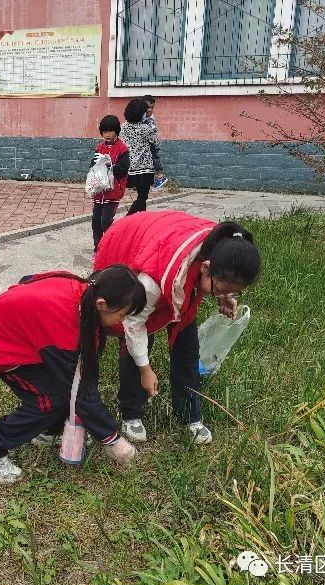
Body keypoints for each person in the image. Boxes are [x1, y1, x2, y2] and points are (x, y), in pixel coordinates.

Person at [0, 265, 147, 483]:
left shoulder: (85, 296)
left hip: (29, 342)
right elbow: (78, 388)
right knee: (48, 401)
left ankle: (48, 431)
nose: (122, 321)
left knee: (61, 392)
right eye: (122, 315)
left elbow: (28, 278)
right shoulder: (64, 323)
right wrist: (111, 438)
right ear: (102, 304)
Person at [94, 211, 260, 445]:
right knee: (137, 340)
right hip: (134, 244)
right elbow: (133, 324)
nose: (225, 294)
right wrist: (146, 369)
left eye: (233, 290)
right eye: (222, 289)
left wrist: (223, 296)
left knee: (188, 348)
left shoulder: (224, 248)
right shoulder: (151, 283)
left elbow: (219, 280)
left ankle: (189, 414)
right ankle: (131, 412)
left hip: (173, 257)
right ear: (205, 268)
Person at [90, 115, 130, 252]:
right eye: (105, 131)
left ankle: (111, 245)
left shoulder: (123, 149)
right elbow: (92, 166)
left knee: (105, 221)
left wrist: (109, 164)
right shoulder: (99, 147)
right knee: (96, 222)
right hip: (98, 191)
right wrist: (96, 163)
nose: (107, 134)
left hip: (113, 193)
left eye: (110, 131)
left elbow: (122, 171)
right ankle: (98, 248)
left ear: (116, 132)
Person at [121, 98, 159, 215]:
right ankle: (127, 219)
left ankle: (141, 219)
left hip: (129, 167)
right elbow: (156, 144)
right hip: (144, 168)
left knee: (141, 197)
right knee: (143, 196)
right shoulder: (145, 128)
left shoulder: (123, 127)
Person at [141, 95, 168, 190]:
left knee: (154, 158)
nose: (150, 110)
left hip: (151, 143)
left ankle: (161, 177)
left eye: (152, 108)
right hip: (144, 143)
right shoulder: (141, 115)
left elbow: (151, 133)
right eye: (147, 107)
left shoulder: (150, 120)